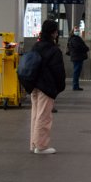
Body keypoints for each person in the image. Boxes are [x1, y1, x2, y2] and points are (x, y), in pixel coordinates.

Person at [29, 19, 66, 155]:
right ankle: (41, 146)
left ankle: (34, 143)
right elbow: (58, 71)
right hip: (46, 86)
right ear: (53, 33)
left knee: (36, 115)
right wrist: (60, 87)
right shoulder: (53, 49)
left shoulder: (36, 46)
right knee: (44, 116)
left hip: (34, 86)